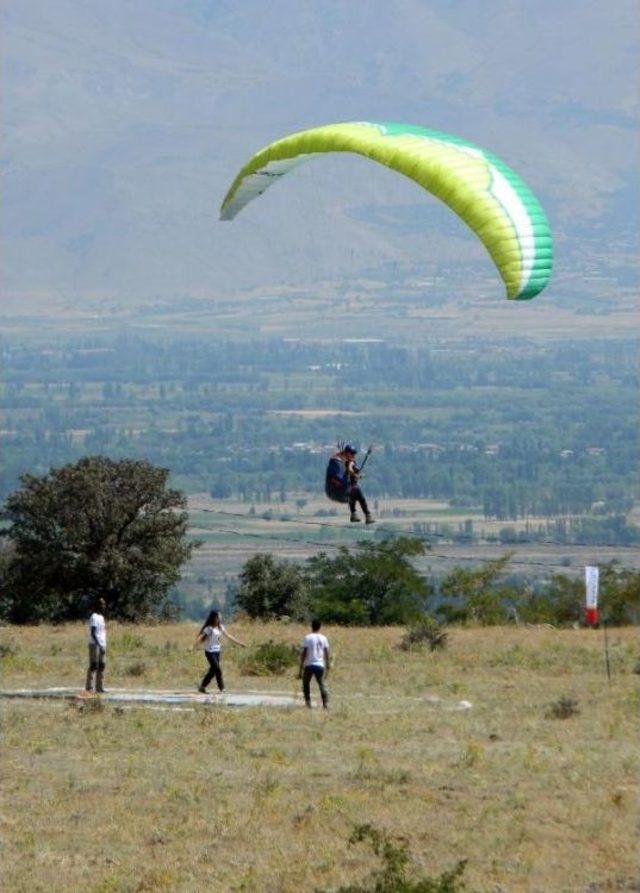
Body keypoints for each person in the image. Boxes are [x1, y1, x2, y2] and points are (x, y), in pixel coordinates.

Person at [194, 610, 246, 693]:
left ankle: (202, 687)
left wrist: (240, 643)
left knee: (213, 670)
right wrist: (193, 646)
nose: (220, 617)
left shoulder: (220, 627)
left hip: (217, 651)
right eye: (219, 616)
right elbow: (200, 637)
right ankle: (222, 688)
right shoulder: (209, 628)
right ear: (215, 618)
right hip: (209, 652)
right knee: (217, 669)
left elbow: (228, 636)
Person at [298, 619, 330, 709]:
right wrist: (327, 664)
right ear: (320, 627)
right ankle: (325, 703)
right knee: (321, 684)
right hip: (320, 664)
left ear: (311, 626)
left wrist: (301, 667)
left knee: (306, 683)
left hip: (309, 664)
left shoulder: (308, 637)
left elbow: (304, 653)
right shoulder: (324, 638)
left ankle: (308, 703)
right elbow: (326, 652)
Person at [342, 445, 374, 524]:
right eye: (352, 453)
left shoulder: (346, 462)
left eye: (354, 454)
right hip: (353, 486)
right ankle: (368, 516)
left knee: (353, 500)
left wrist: (358, 475)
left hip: (347, 487)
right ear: (347, 454)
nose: (354, 455)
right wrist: (355, 475)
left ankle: (354, 515)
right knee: (362, 499)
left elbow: (352, 471)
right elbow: (350, 470)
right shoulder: (350, 462)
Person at [85, 597, 107, 693]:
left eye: (104, 605)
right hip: (95, 644)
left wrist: (103, 644)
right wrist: (99, 644)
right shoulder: (93, 617)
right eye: (102, 605)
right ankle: (89, 687)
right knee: (94, 665)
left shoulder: (102, 617)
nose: (103, 607)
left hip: (102, 643)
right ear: (97, 606)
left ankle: (99, 687)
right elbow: (93, 633)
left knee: (102, 665)